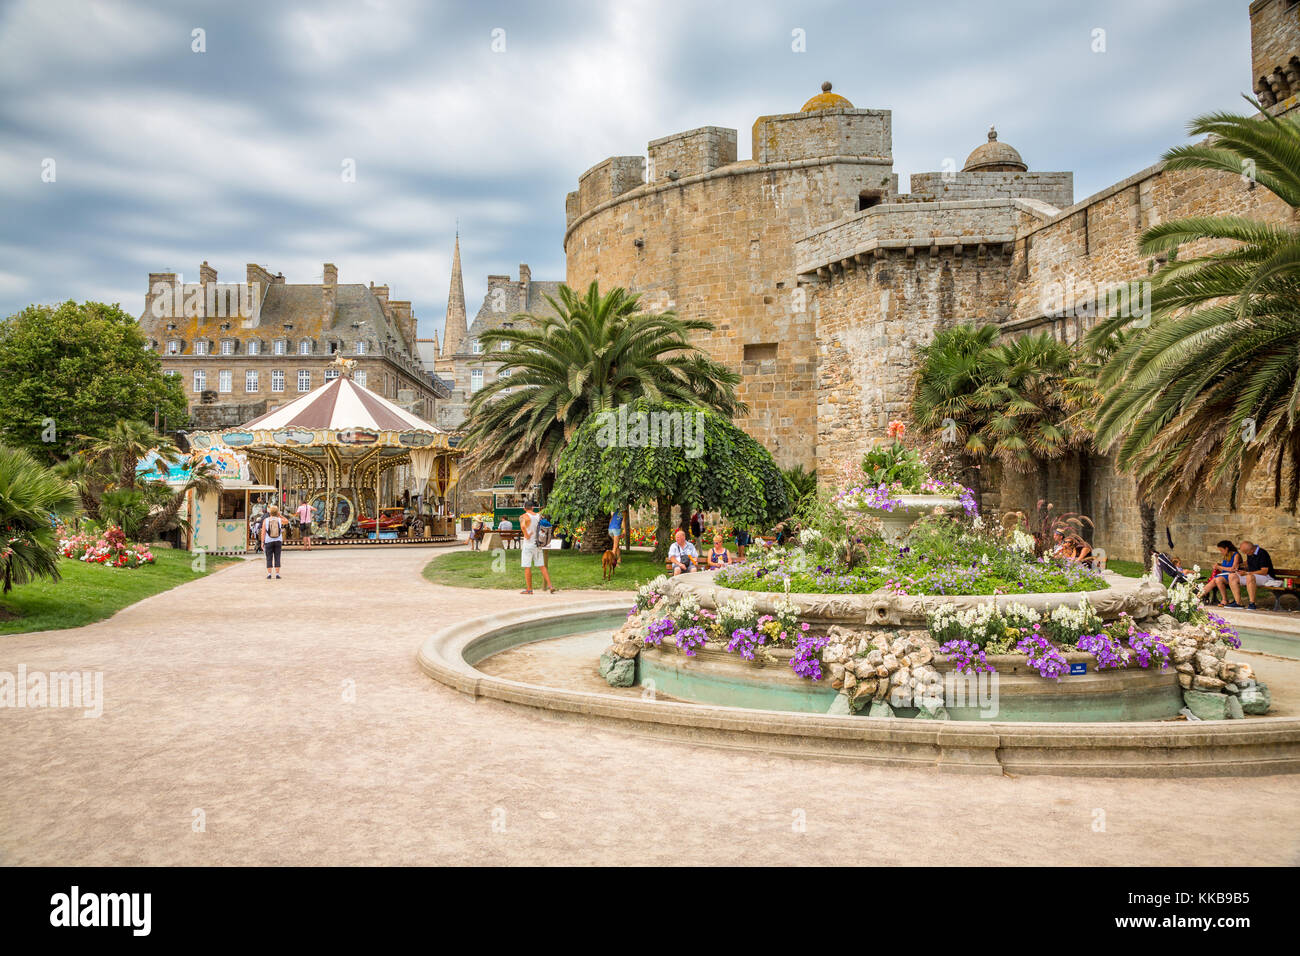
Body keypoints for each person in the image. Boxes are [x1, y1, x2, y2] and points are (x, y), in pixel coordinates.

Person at [1230, 539, 1282, 610]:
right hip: (1253, 576)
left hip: (1266, 577)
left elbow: (1264, 571)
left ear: (1251, 550)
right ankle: (1238, 602)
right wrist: (1239, 566)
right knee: (1232, 576)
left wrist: (1247, 573)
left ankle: (1252, 603)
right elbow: (1249, 563)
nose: (1246, 554)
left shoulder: (1262, 553)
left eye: (1246, 552)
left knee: (1249, 577)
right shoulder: (1250, 553)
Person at [519, 499, 555, 594]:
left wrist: (526, 535)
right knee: (542, 566)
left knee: (527, 566)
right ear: (533, 507)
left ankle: (529, 589)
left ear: (524, 508)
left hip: (528, 544)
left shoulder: (524, 516)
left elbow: (523, 526)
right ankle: (550, 585)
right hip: (538, 543)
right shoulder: (539, 516)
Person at [1199, 540, 1241, 606]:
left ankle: (1197, 596)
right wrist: (1218, 566)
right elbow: (1225, 567)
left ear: (1226, 548)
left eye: (1221, 550)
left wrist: (1219, 567)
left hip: (1232, 576)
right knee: (1217, 580)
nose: (1221, 552)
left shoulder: (1236, 555)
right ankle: (1198, 596)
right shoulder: (1226, 556)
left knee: (1217, 579)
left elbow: (1233, 569)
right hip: (1223, 576)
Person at [261, 504, 284, 579]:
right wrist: (280, 516)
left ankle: (269, 574)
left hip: (268, 541)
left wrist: (262, 542)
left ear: (269, 512)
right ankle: (277, 574)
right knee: (277, 556)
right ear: (277, 512)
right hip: (278, 540)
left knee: (269, 557)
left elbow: (263, 532)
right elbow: (287, 521)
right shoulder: (280, 520)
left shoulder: (266, 520)